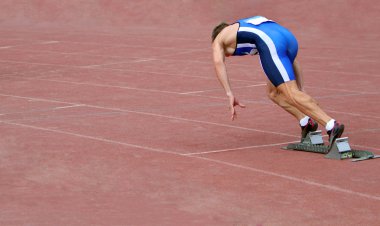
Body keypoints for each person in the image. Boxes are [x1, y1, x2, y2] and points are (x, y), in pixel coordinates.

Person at [211, 15, 344, 147]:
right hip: (289, 39)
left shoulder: (219, 38)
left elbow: (218, 62)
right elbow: (291, 61)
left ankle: (331, 124)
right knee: (273, 93)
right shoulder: (244, 27)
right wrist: (301, 87)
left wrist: (229, 93)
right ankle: (306, 122)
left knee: (290, 93)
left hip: (272, 43)